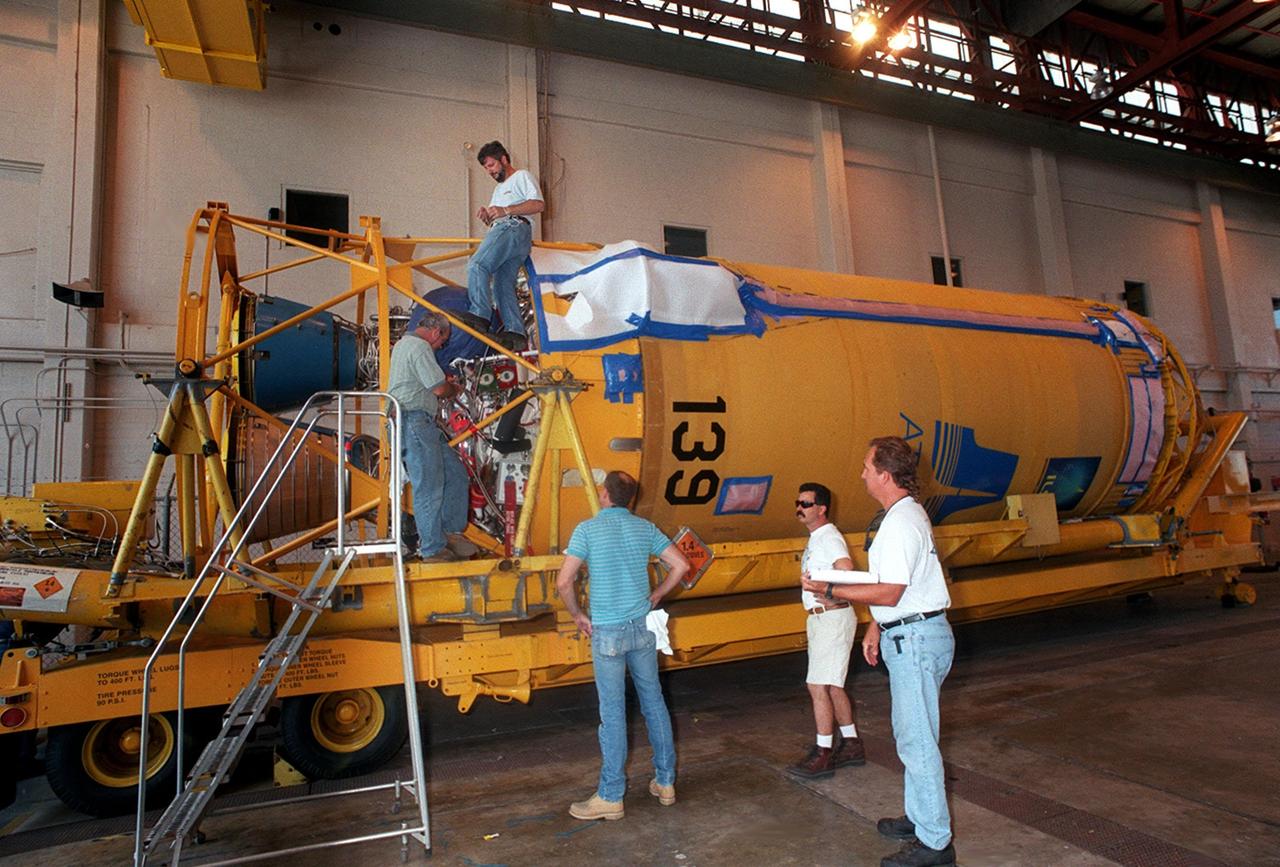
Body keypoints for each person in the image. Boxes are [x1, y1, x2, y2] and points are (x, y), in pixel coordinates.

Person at [801, 436, 955, 867]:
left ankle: (936, 843)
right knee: (912, 734)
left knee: (918, 740)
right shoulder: (900, 517)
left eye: (868, 467)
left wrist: (828, 587)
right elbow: (894, 582)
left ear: (885, 475)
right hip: (907, 632)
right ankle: (921, 817)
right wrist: (874, 626)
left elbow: (890, 590)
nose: (862, 474)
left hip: (918, 639)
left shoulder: (903, 522)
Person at [555, 471, 691, 821]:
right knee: (654, 703)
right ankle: (665, 782)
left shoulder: (586, 530)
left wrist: (577, 614)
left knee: (613, 714)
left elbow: (564, 581)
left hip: (608, 633)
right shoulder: (643, 528)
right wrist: (659, 593)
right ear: (628, 498)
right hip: (643, 628)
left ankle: (611, 796)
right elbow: (681, 564)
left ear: (603, 494)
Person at [788, 482, 866, 779]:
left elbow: (846, 568)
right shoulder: (818, 537)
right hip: (824, 619)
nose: (799, 508)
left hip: (831, 618)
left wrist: (833, 591)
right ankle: (852, 744)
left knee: (817, 686)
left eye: (806, 504)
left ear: (822, 509)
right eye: (798, 502)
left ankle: (823, 753)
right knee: (832, 685)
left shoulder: (828, 536)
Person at [386, 311, 469, 561]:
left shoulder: (405, 346)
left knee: (455, 474)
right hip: (413, 421)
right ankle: (432, 548)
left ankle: (450, 533)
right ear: (436, 332)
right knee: (429, 486)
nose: (441, 346)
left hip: (419, 422)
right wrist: (455, 388)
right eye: (442, 341)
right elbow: (439, 388)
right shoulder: (419, 346)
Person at [459, 140, 544, 352]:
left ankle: (480, 314)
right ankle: (516, 332)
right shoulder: (498, 189)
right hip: (511, 234)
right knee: (502, 284)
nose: (489, 171)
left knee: (477, 265)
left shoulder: (521, 176)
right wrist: (488, 216)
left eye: (491, 165)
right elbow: (498, 217)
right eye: (486, 168)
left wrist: (505, 211)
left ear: (503, 159)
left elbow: (538, 204)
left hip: (513, 228)